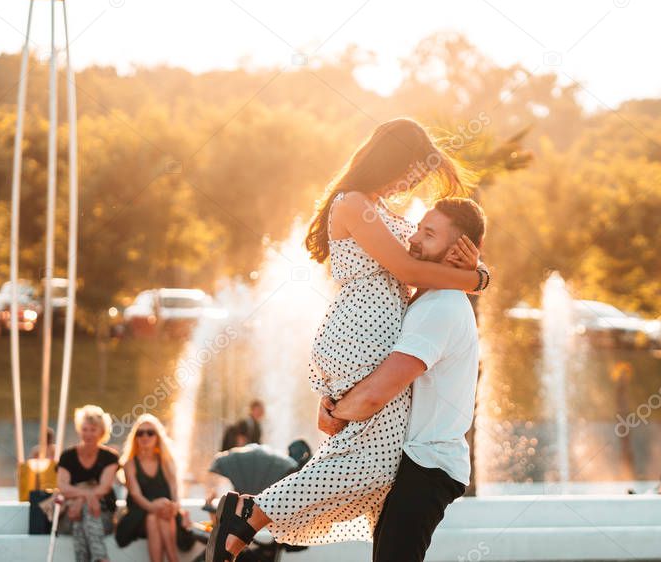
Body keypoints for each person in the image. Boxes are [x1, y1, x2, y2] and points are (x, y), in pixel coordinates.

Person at [205, 119, 488, 562]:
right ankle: (251, 516)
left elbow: (415, 278)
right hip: (359, 337)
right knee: (375, 465)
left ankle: (250, 520)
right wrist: (475, 278)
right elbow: (410, 271)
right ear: (389, 158)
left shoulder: (379, 208)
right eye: (409, 171)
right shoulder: (354, 203)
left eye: (417, 177)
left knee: (368, 464)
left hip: (365, 341)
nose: (409, 182)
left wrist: (474, 269)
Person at [321, 198, 486, 562]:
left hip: (426, 465)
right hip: (415, 461)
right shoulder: (420, 301)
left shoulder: (440, 307)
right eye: (418, 227)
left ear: (458, 251)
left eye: (429, 234)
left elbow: (377, 393)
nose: (413, 239)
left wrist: (335, 412)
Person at [115, 414, 190, 561]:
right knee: (152, 515)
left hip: (166, 514)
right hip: (137, 517)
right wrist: (155, 506)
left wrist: (173, 506)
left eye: (150, 432)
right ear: (135, 437)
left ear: (157, 437)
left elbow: (175, 491)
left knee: (155, 516)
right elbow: (136, 495)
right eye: (140, 433)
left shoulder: (166, 461)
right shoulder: (129, 464)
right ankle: (173, 559)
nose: (145, 436)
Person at [56, 405, 119, 562]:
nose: (88, 434)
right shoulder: (67, 456)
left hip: (102, 514)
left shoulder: (110, 457)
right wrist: (88, 496)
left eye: (93, 429)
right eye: (85, 429)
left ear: (101, 431)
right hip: (70, 514)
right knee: (82, 515)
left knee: (83, 520)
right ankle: (102, 559)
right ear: (79, 430)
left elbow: (104, 488)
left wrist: (79, 499)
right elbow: (62, 487)